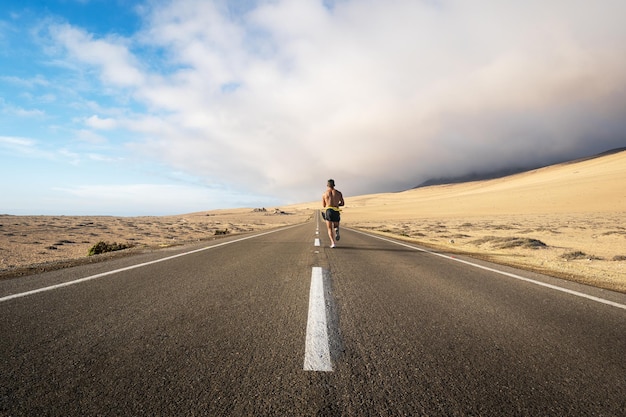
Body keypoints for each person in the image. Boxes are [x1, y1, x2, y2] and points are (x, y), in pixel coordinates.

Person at [322, 179, 344, 248]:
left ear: (327, 185)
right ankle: (336, 229)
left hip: (329, 210)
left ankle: (333, 243)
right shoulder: (338, 193)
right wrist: (337, 204)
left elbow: (324, 205)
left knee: (329, 228)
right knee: (336, 225)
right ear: (334, 185)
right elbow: (343, 203)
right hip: (336, 210)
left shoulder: (324, 194)